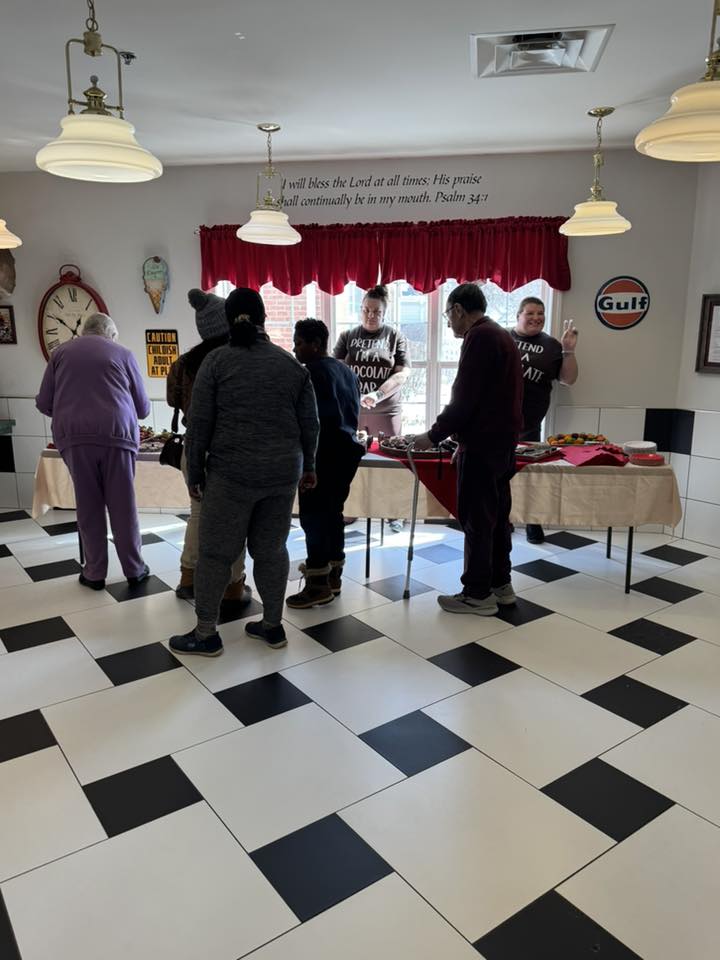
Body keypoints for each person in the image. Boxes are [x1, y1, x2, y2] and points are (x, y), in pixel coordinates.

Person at [169, 288, 319, 657]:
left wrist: (195, 474)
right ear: (264, 317)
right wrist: (310, 466)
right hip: (281, 475)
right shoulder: (289, 365)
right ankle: (272, 626)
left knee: (216, 554)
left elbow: (199, 424)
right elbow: (310, 424)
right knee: (271, 550)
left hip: (231, 475)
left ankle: (206, 633)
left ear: (227, 319)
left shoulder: (216, 362)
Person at [414, 283, 522, 616]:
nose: (449, 322)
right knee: (497, 518)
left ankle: (477, 594)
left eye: (448, 315)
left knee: (477, 520)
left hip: (482, 446)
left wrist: (432, 435)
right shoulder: (501, 335)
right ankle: (501, 584)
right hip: (502, 444)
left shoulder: (479, 337)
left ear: (459, 310)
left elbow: (464, 397)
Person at [35, 313, 150, 590]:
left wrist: (69, 412)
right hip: (117, 435)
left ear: (84, 331)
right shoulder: (123, 354)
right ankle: (134, 570)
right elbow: (143, 408)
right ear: (111, 335)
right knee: (123, 506)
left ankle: (95, 573)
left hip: (75, 438)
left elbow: (44, 402)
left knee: (88, 506)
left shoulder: (60, 353)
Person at [166, 289, 249, 605]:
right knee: (234, 519)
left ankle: (188, 577)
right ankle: (232, 585)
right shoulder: (238, 360)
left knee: (198, 514)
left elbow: (173, 400)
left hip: (193, 448)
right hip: (229, 449)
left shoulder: (184, 363)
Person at [288, 318, 364, 608]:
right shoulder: (346, 371)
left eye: (298, 343)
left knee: (313, 518)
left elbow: (312, 422)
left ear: (316, 344)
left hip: (322, 455)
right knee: (333, 514)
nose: (294, 349)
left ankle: (317, 584)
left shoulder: (310, 374)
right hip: (347, 453)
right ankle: (334, 577)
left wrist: (305, 462)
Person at [333, 283, 410, 532]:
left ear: (384, 313)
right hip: (353, 410)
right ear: (360, 309)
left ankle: (394, 512)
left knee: (391, 461)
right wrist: (352, 395)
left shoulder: (395, 337)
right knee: (350, 462)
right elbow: (335, 369)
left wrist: (378, 394)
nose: (370, 315)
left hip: (386, 410)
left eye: (376, 311)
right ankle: (351, 508)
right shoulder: (347, 336)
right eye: (366, 310)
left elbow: (402, 374)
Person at [510, 297, 579, 543]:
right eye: (530, 313)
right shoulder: (502, 337)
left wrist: (568, 350)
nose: (536, 317)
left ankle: (533, 521)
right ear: (518, 315)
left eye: (540, 313)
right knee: (499, 474)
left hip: (530, 423)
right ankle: (503, 519)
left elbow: (568, 380)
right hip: (497, 422)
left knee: (532, 475)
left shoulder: (551, 345)